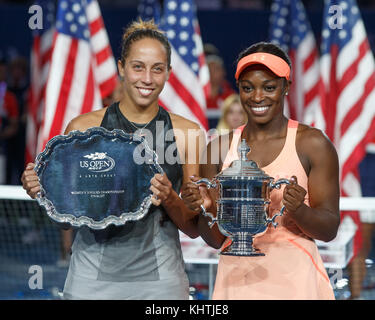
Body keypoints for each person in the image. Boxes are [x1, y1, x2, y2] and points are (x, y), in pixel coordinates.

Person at [21, 19, 206, 300]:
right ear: (121, 67)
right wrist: (44, 193)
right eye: (137, 67)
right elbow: (65, 223)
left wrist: (169, 196)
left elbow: (193, 227)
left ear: (168, 72)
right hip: (89, 280)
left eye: (157, 69)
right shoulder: (82, 130)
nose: (147, 78)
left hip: (160, 284)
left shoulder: (187, 134)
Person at [181, 42, 341, 300]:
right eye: (247, 88)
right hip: (237, 281)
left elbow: (329, 229)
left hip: (297, 283)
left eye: (269, 87)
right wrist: (203, 207)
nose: (257, 97)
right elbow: (214, 238)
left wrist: (299, 210)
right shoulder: (218, 149)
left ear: (286, 87)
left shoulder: (314, 144)